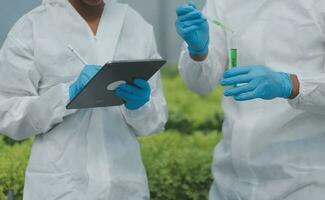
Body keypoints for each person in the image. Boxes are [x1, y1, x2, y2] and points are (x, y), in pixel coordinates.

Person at [0, 0, 168, 199]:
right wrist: (66, 95)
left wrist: (140, 107)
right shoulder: (33, 27)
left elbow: (157, 120)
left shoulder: (136, 26)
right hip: (60, 188)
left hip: (125, 187)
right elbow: (7, 113)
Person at [176, 1, 325, 199]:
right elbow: (200, 84)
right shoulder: (222, 3)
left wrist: (291, 84)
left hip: (304, 181)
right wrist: (198, 52)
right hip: (230, 180)